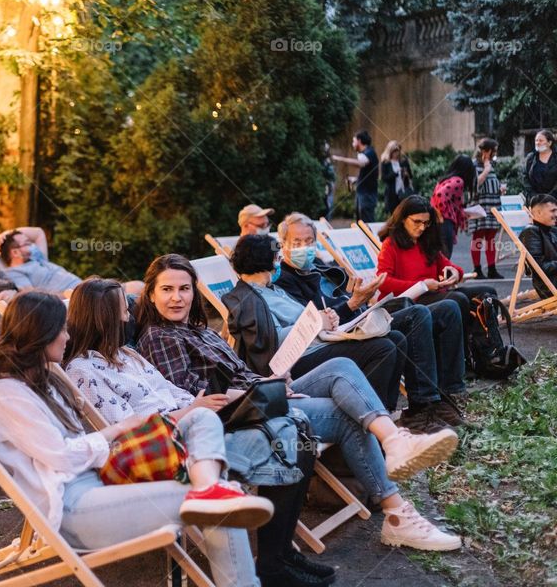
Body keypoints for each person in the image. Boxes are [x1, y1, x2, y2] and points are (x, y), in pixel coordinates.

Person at [134, 254, 462, 552]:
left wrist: (275, 382)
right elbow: (196, 396)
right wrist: (264, 391)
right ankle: (396, 511)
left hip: (260, 394)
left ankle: (394, 441)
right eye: (167, 290)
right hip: (238, 415)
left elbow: (239, 373)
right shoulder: (160, 336)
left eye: (184, 289)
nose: (177, 298)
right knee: (345, 414)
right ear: (151, 294)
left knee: (340, 366)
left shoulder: (198, 331)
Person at [0, 291, 269, 587]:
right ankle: (211, 493)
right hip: (73, 508)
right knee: (216, 503)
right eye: (62, 329)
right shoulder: (7, 395)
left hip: (100, 481)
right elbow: (64, 456)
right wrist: (117, 430)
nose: (68, 336)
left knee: (201, 419)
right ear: (41, 334)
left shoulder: (43, 382)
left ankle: (209, 487)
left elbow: (78, 449)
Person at [64, 278, 335, 587]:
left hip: (199, 423)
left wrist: (232, 399)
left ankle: (280, 553)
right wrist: (193, 410)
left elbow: (174, 393)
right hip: (171, 448)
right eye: (124, 311)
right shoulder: (83, 371)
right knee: (291, 438)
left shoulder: (128, 355)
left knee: (294, 425)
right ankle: (274, 561)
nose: (129, 317)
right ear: (105, 318)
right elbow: (129, 431)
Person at [274, 213, 468, 432]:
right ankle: (422, 408)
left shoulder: (319, 267)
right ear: (283, 245)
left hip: (360, 319)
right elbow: (314, 324)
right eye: (297, 242)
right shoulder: (284, 280)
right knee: (416, 315)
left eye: (309, 241)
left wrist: (360, 298)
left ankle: (445, 397)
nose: (304, 247)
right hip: (339, 335)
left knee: (447, 309)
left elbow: (345, 301)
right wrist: (352, 304)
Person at [223, 234, 405, 413]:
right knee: (382, 348)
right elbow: (273, 340)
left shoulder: (273, 289)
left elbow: (303, 316)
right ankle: (371, 415)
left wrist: (325, 317)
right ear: (263, 261)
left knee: (396, 339)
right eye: (277, 258)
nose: (280, 262)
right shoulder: (248, 299)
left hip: (317, 344)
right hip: (297, 360)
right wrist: (316, 323)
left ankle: (385, 412)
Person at [376, 196, 496, 337]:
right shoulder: (391, 244)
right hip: (408, 301)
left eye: (426, 223)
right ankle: (464, 347)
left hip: (432, 295)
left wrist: (455, 273)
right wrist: (421, 285)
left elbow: (450, 266)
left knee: (488, 292)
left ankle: (485, 345)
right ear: (403, 219)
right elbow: (383, 282)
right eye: (417, 221)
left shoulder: (425, 241)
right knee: (458, 299)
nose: (422, 227)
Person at [0, 229, 82, 295]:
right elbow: (32, 295)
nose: (32, 246)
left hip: (82, 287)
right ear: (15, 252)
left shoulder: (36, 257)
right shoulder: (13, 272)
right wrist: (70, 297)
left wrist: (5, 233)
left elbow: (38, 232)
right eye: (27, 243)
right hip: (75, 297)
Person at [431, 154, 477, 260]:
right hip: (445, 222)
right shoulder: (458, 181)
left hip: (438, 222)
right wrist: (442, 213)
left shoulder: (445, 180)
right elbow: (440, 195)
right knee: (445, 256)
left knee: (440, 256)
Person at [469, 139, 503, 279]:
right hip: (480, 206)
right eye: (493, 151)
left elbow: (490, 183)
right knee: (477, 237)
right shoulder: (474, 165)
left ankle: (491, 269)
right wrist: (486, 169)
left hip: (493, 205)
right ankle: (477, 269)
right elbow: (475, 185)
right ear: (486, 151)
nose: (495, 153)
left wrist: (499, 189)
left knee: (490, 239)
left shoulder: (491, 165)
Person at [333, 130, 379, 223]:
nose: (352, 144)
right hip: (363, 193)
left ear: (359, 141)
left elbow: (360, 163)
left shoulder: (369, 152)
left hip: (367, 195)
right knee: (360, 222)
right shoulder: (365, 153)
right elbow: (368, 174)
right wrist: (356, 179)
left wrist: (340, 159)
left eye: (353, 141)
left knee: (367, 223)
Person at [519, 194, 557, 299]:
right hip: (550, 285)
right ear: (539, 212)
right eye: (553, 211)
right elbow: (538, 268)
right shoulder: (531, 232)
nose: (556, 214)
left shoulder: (551, 230)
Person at [380, 141, 413, 215]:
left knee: (405, 213)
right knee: (394, 214)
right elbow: (384, 178)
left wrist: (406, 174)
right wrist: (395, 173)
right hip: (392, 193)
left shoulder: (403, 161)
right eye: (394, 151)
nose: (396, 153)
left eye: (397, 151)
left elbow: (411, 175)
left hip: (404, 191)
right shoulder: (386, 163)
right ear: (390, 152)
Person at [524, 129, 557, 199]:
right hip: (534, 200)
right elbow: (525, 177)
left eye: (541, 140)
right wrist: (534, 195)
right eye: (536, 140)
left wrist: (549, 197)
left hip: (554, 199)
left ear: (549, 143)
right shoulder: (530, 158)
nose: (537, 143)